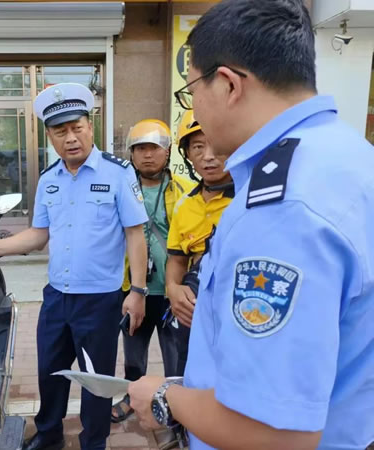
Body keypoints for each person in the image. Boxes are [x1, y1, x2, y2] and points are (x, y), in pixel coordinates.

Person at [127, 0, 374, 449]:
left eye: (191, 92)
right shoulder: (351, 157)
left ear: (228, 84)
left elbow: (274, 433)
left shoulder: (281, 207)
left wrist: (165, 396)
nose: (196, 111)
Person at [0, 83, 149, 450]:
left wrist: (137, 291)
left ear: (90, 126)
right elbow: (38, 235)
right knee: (49, 372)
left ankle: (94, 442)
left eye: (77, 127)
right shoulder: (48, 180)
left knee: (95, 379)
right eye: (60, 131)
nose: (70, 138)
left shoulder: (118, 173)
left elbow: (135, 235)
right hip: (57, 298)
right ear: (50, 136)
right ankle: (49, 435)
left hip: (99, 300)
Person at [111, 119, 194, 425]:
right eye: (140, 149)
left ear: (168, 151)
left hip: (173, 289)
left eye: (154, 148)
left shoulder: (184, 190)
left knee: (176, 353)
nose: (147, 155)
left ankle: (176, 403)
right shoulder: (120, 189)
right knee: (133, 349)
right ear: (131, 154)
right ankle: (132, 396)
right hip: (134, 289)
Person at [164, 111, 234, 369]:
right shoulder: (185, 205)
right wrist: (173, 289)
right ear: (187, 154)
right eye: (198, 147)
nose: (208, 156)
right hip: (193, 316)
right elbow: (176, 259)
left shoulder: (249, 199)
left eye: (216, 145)